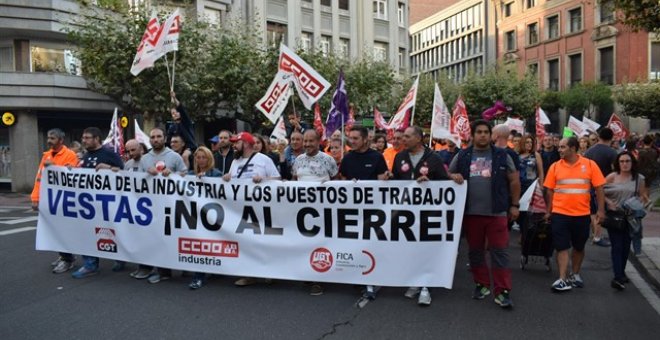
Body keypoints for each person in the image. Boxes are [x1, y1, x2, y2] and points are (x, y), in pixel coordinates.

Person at [449, 120, 519, 309]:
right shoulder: (462, 155)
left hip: (497, 213)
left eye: (485, 132)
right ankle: (482, 285)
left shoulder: (503, 155)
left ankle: (502, 291)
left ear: (491, 135)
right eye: (478, 132)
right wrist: (452, 176)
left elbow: (514, 181)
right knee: (476, 252)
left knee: (500, 253)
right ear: (472, 135)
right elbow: (448, 174)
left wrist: (514, 205)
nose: (482, 135)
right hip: (471, 214)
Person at [392, 126, 449, 306]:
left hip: (427, 212)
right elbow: (395, 181)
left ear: (418, 139)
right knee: (409, 248)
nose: (403, 139)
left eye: (407, 137)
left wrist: (430, 184)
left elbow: (444, 183)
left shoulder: (434, 158)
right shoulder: (399, 157)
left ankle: (426, 287)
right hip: (406, 213)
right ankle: (414, 282)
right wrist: (388, 177)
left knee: (426, 248)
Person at [544, 137, 606, 292]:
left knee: (579, 246)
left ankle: (575, 274)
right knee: (562, 246)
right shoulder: (555, 167)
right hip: (560, 214)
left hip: (582, 214)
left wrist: (601, 210)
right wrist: (548, 210)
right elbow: (549, 190)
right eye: (559, 147)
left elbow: (599, 188)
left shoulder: (590, 165)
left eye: (563, 147)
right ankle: (562, 278)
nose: (559, 149)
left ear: (573, 148)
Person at [223, 132, 281, 286]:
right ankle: (249, 274)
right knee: (246, 241)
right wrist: (227, 178)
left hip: (262, 208)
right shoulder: (235, 162)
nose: (234, 145)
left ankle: (270, 272)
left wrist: (264, 180)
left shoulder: (264, 160)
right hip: (242, 209)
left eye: (237, 142)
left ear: (246, 144)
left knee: (265, 240)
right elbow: (232, 180)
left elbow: (278, 180)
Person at [339, 126, 388, 300]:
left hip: (373, 210)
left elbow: (383, 182)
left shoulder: (377, 157)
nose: (351, 141)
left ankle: (371, 278)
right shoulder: (347, 158)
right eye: (350, 138)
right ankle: (357, 275)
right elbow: (343, 180)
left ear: (366, 139)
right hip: (352, 211)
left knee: (371, 244)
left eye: (355, 138)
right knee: (354, 243)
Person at [71, 127, 124, 279]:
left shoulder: (109, 154)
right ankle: (90, 265)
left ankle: (121, 258)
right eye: (83, 137)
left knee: (113, 232)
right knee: (87, 233)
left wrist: (108, 168)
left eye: (87, 138)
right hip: (89, 205)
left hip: (109, 203)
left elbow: (124, 173)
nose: (84, 140)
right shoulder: (86, 156)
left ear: (97, 139)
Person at [292, 130, 338, 295]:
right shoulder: (298, 160)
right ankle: (308, 273)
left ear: (319, 142)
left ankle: (319, 279)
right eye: (305, 141)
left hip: (323, 211)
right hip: (302, 211)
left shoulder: (328, 160)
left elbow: (337, 182)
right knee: (304, 242)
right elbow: (294, 181)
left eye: (311, 141)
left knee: (320, 244)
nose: (307, 144)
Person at [142, 127, 188, 284]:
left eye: (159, 136)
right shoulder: (144, 158)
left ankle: (167, 270)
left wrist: (173, 174)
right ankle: (157, 269)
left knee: (168, 237)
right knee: (153, 237)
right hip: (150, 205)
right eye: (153, 137)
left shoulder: (174, 156)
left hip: (170, 206)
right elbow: (135, 181)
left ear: (164, 138)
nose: (156, 139)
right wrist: (146, 172)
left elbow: (185, 175)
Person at [31, 128, 80, 274]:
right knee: (54, 231)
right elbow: (39, 178)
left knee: (63, 230)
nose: (49, 141)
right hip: (50, 200)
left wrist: (53, 168)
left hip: (65, 201)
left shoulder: (70, 155)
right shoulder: (46, 156)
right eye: (48, 138)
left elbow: (69, 178)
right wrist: (35, 198)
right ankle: (63, 255)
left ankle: (67, 259)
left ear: (60, 140)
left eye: (52, 138)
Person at [603, 151, 648, 290]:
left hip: (630, 218)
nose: (624, 164)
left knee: (625, 247)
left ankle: (621, 273)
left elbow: (643, 196)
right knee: (617, 246)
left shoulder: (639, 179)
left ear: (632, 163)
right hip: (615, 217)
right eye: (622, 161)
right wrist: (608, 202)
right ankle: (617, 277)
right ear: (618, 163)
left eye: (627, 161)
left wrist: (638, 203)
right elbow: (600, 192)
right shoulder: (612, 177)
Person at [188, 146, 222, 290]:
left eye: (204, 157)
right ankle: (198, 276)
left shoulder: (216, 174)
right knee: (199, 244)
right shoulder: (190, 174)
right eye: (198, 157)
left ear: (209, 159)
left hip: (213, 216)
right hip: (195, 216)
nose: (201, 160)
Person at [584, 127, 617, 247]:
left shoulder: (588, 151)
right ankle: (597, 236)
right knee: (601, 211)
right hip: (604, 187)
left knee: (593, 212)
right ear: (611, 138)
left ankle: (595, 234)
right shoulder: (612, 152)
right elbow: (616, 171)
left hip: (589, 186)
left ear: (599, 137)